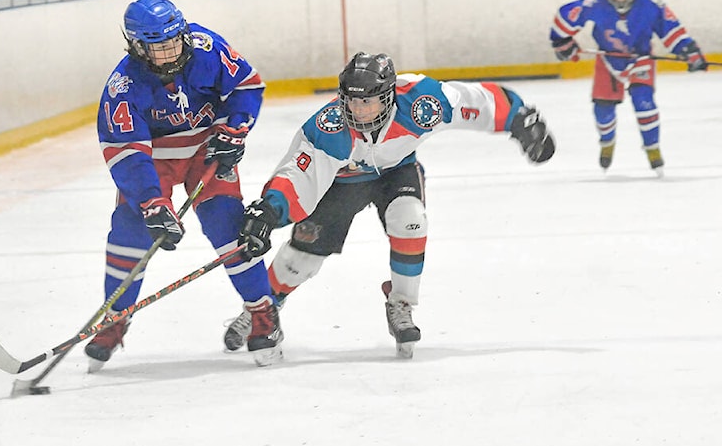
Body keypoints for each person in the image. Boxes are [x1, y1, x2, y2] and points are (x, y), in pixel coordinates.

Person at [225, 52, 555, 359]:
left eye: (367, 101)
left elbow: (476, 102)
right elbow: (296, 176)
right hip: (341, 184)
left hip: (396, 173)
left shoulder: (422, 101)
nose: (359, 110)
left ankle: (401, 304)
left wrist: (520, 119)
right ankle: (261, 307)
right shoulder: (328, 127)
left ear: (388, 96)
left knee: (410, 219)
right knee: (303, 255)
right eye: (352, 101)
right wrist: (270, 211)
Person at [88, 0, 282, 370]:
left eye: (174, 42)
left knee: (227, 226)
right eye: (158, 48)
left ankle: (263, 313)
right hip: (155, 160)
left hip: (206, 151)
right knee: (130, 230)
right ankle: (115, 318)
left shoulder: (208, 48)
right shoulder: (123, 87)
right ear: (138, 47)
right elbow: (126, 153)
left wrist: (234, 129)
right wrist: (151, 203)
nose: (170, 53)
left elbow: (246, 87)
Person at [549, 0, 707, 176]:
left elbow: (671, 30)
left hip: (640, 58)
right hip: (608, 59)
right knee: (602, 110)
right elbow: (565, 18)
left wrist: (689, 51)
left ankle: (652, 149)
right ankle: (607, 142)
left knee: (644, 102)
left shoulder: (651, 4)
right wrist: (561, 42)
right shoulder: (595, 3)